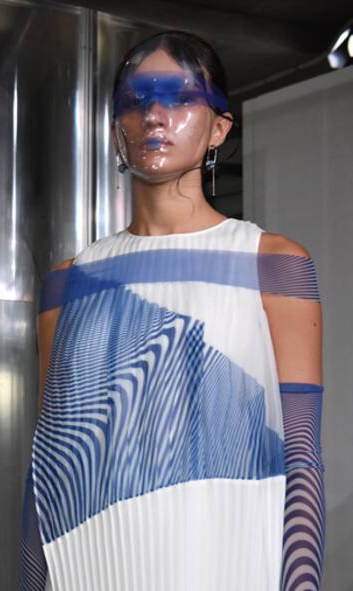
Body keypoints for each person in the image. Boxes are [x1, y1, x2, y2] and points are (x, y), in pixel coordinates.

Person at [20, 31, 325, 590]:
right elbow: (48, 468)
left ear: (219, 128)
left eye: (181, 97)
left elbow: (302, 457)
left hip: (227, 563)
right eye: (135, 99)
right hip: (92, 564)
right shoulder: (67, 282)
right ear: (116, 127)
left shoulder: (273, 262)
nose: (154, 115)